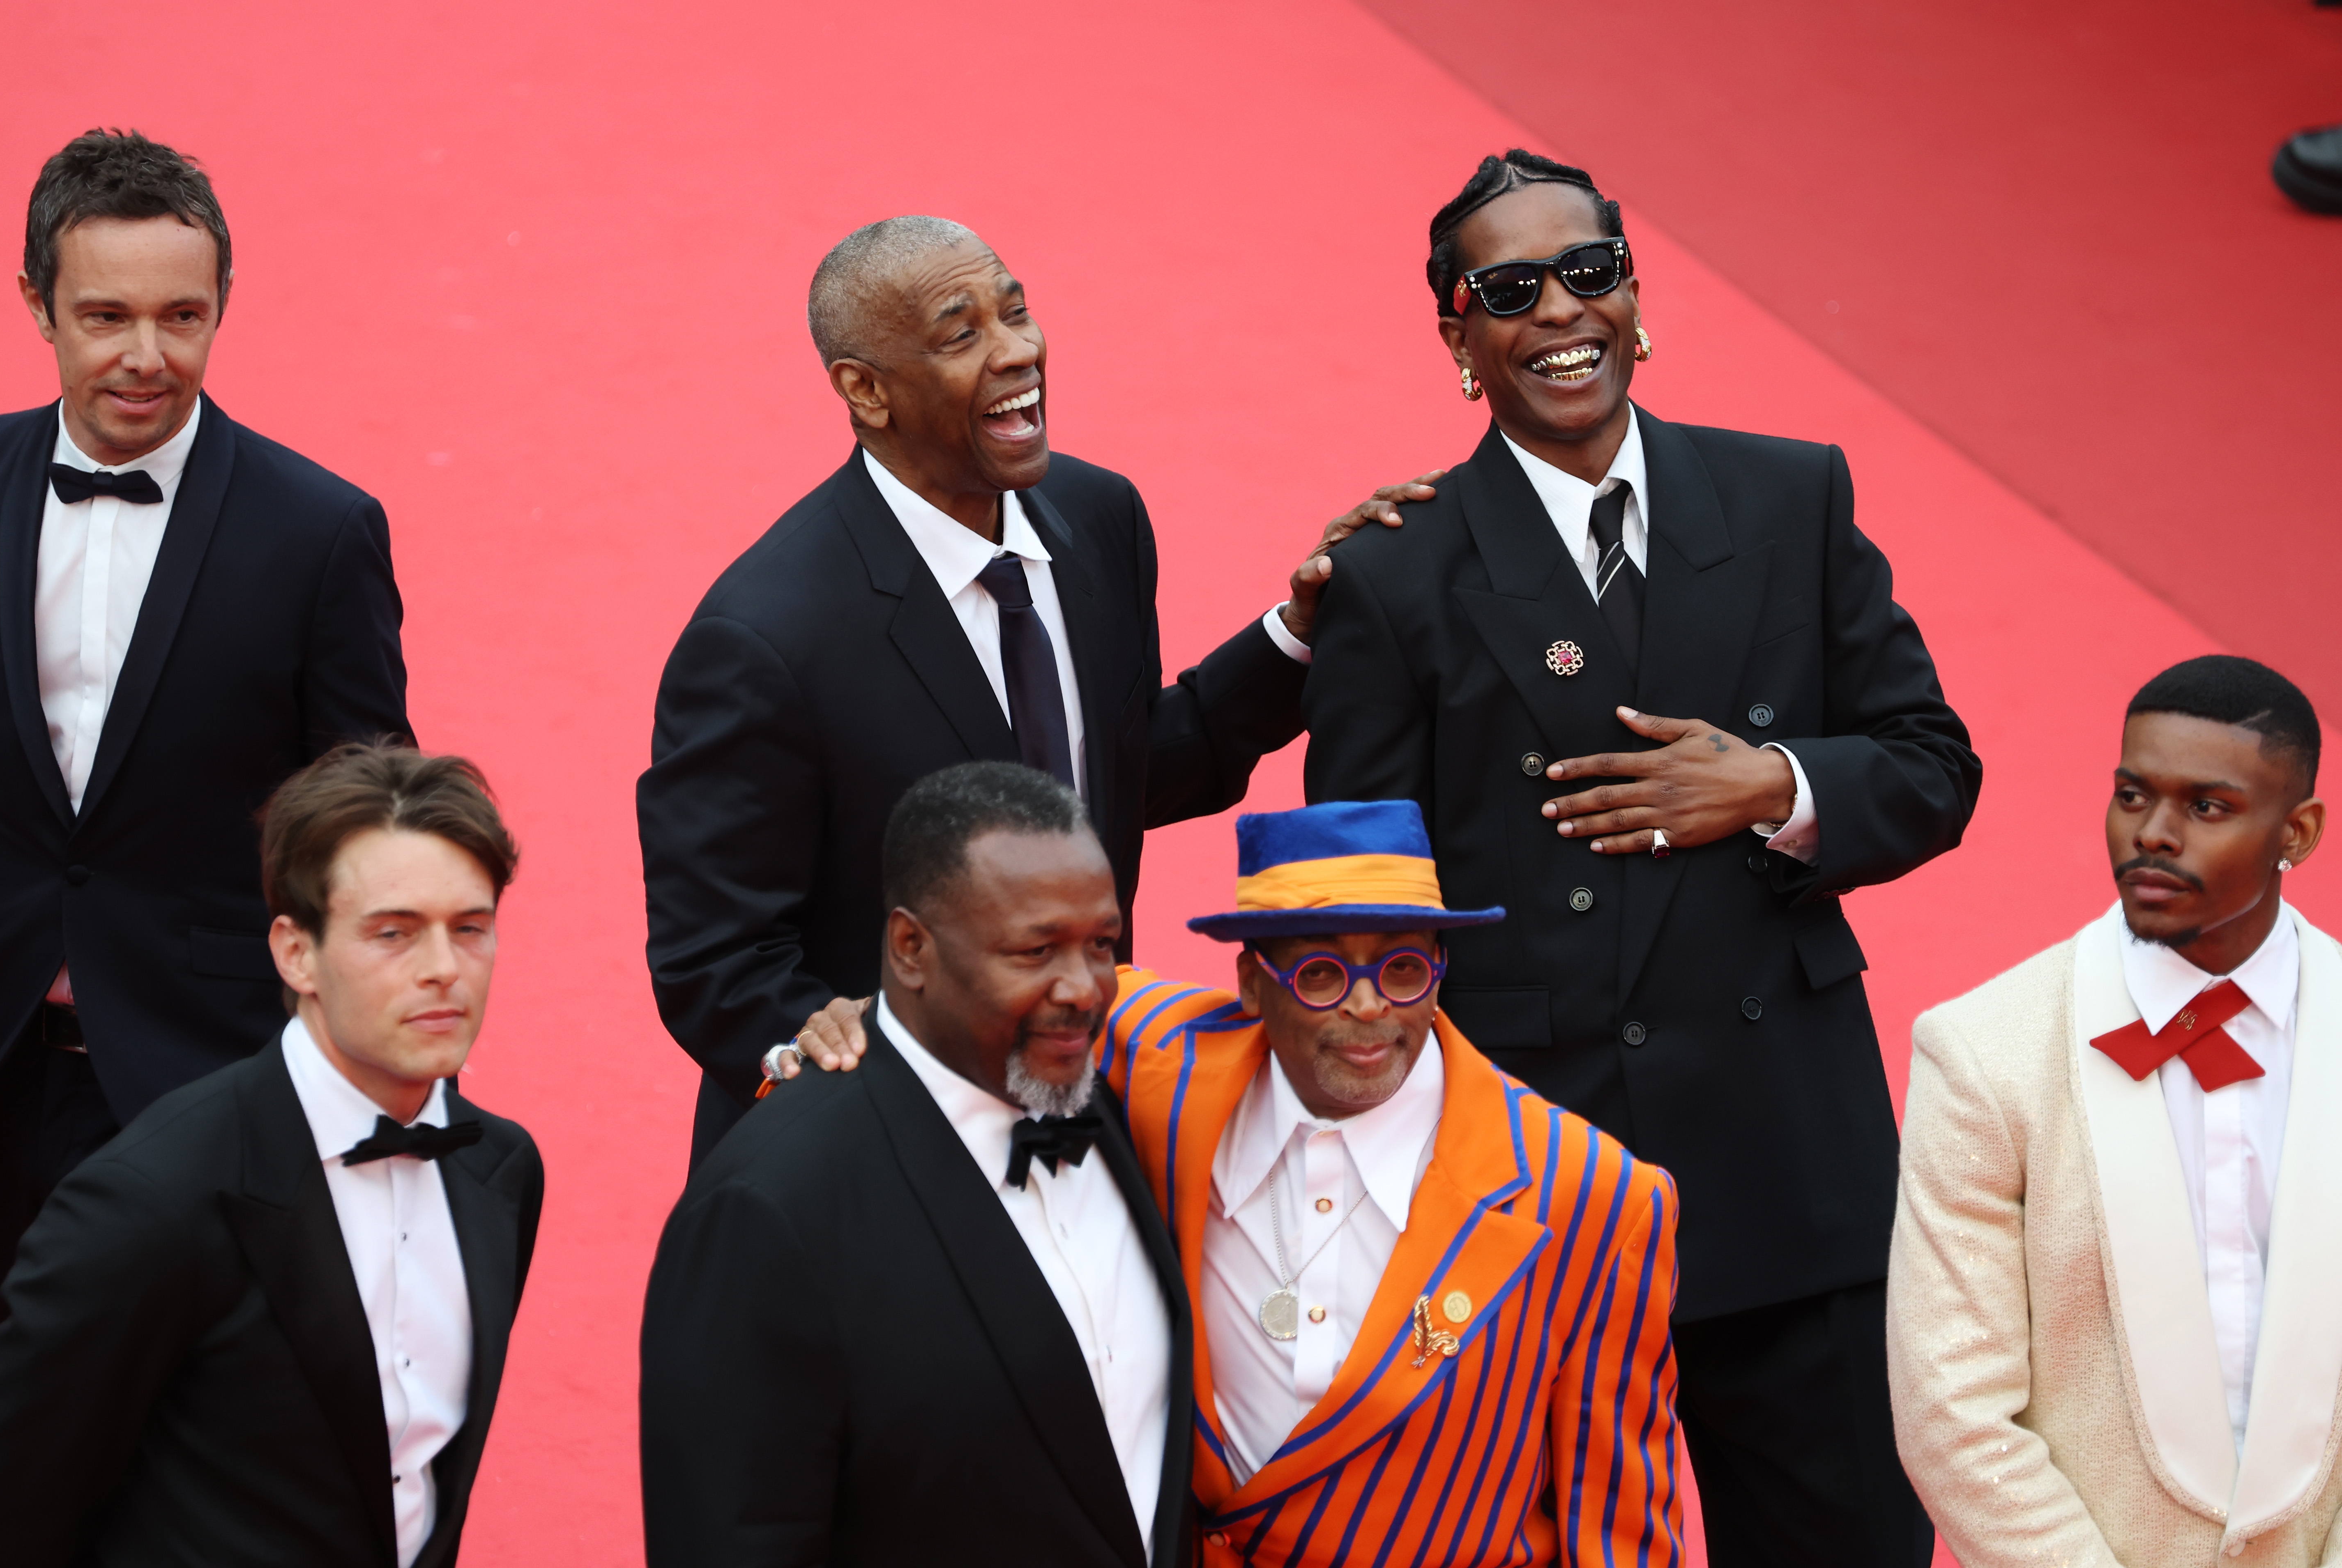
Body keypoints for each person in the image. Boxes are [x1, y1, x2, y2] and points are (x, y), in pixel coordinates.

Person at [1298, 149, 1979, 1563]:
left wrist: (1770, 784)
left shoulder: (1788, 498)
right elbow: (1361, 901)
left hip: (1789, 1171)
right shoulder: (1396, 575)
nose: (1560, 309)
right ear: (1456, 338)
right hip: (1533, 1192)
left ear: (1632, 295)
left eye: (1589, 270)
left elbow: (1930, 766)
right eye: (1509, 290)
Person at [636, 214, 1422, 1166]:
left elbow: (1109, 771)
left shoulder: (1099, 517)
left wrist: (1297, 634)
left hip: (1086, 1109)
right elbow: (715, 962)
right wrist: (857, 1071)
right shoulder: (763, 639)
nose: (1018, 352)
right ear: (866, 390)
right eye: (961, 333)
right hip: (879, 1155)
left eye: (1016, 313)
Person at [788, 797, 1685, 1564]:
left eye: (1405, 968)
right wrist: (851, 1031)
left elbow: (1619, 1524)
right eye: (1323, 973)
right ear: (1253, 984)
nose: (1369, 1005)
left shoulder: (1589, 1194)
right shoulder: (1155, 1057)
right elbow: (983, 1008)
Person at [0, 129, 412, 1310]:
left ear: (224, 301)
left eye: (183, 316)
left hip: (195, 1076)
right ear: (37, 305)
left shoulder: (317, 531)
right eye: (106, 317)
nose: (147, 357)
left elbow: (365, 821)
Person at [0, 743, 542, 1568]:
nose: (442, 970)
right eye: (393, 933)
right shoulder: (150, 1200)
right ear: (294, 952)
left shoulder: (500, 1169)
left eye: (470, 929)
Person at [640, 762, 1191, 1568]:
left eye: (1101, 944)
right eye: (1035, 950)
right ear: (911, 948)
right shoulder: (766, 1210)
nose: (1083, 987)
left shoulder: (1121, 1111)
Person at [1889, 656, 2340, 1567]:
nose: (2152, 835)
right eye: (2132, 796)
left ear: (2296, 831)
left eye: (2205, 806)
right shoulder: (1981, 1052)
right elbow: (1953, 1410)